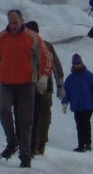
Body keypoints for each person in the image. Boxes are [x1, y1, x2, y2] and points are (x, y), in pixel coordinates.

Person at [0, 9, 53, 168]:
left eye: (16, 22)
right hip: (7, 84)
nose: (13, 26)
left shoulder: (32, 38)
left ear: (22, 21)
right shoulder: (1, 38)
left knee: (25, 122)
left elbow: (46, 57)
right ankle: (12, 141)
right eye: (10, 22)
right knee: (4, 111)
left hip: (27, 85)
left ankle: (25, 158)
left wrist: (44, 76)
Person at [23, 20, 64, 156]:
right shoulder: (23, 47)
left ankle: (40, 145)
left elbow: (56, 65)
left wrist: (60, 84)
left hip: (46, 88)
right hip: (28, 87)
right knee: (29, 117)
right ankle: (30, 145)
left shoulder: (47, 46)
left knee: (44, 117)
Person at [61, 53, 93, 153]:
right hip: (76, 106)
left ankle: (87, 144)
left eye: (78, 63)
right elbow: (66, 92)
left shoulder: (88, 75)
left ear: (81, 63)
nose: (77, 65)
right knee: (79, 125)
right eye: (75, 63)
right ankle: (81, 145)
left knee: (85, 124)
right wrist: (65, 102)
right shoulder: (70, 78)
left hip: (87, 105)